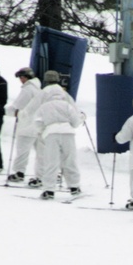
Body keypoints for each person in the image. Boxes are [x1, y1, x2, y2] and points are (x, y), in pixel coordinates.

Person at [34, 70, 84, 199]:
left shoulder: (44, 106)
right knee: (69, 159)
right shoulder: (67, 103)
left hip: (51, 134)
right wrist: (82, 118)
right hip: (68, 133)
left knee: (51, 161)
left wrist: (42, 131)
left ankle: (49, 190)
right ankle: (74, 187)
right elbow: (75, 122)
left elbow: (38, 122)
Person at [6, 67, 42, 182]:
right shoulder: (39, 89)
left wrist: (5, 111)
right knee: (42, 152)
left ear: (26, 77)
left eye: (21, 77)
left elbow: (18, 106)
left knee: (22, 150)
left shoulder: (28, 89)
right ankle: (46, 174)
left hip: (26, 125)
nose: (20, 80)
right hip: (38, 125)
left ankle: (19, 172)